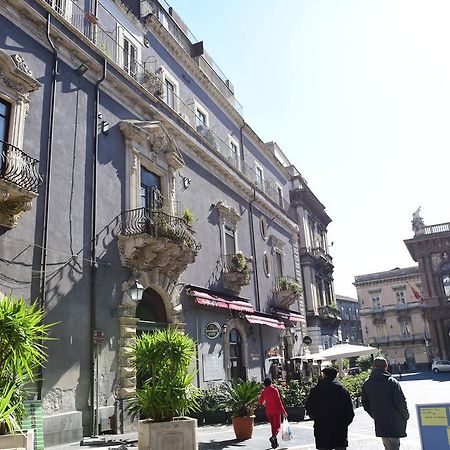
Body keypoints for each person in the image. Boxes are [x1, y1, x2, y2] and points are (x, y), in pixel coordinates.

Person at [362, 357, 409, 450]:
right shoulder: (391, 382)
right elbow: (401, 402)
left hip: (380, 421)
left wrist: (375, 415)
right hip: (394, 421)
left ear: (374, 367)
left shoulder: (367, 383)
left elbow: (365, 404)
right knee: (394, 446)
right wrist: (405, 415)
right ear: (386, 366)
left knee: (387, 446)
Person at [305, 366, 354, 450]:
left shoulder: (316, 390)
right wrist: (344, 424)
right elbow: (350, 412)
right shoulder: (342, 390)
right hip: (339, 429)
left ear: (324, 375)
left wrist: (317, 419)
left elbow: (309, 407)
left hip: (322, 428)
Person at [258, 377, 287, 449]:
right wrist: (283, 411)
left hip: (268, 411)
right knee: (277, 426)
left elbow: (260, 402)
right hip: (276, 410)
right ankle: (273, 437)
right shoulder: (274, 390)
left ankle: (274, 443)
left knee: (273, 426)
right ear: (271, 383)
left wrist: (265, 403)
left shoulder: (264, 391)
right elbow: (279, 402)